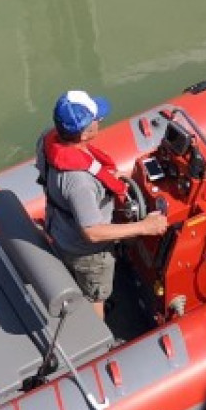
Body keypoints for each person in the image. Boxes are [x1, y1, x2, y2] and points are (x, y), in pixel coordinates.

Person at [39, 89, 168, 321]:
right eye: (96, 119)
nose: (100, 120)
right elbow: (92, 232)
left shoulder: (47, 140)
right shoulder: (79, 183)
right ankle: (99, 336)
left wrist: (106, 180)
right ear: (85, 133)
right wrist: (144, 227)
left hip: (59, 229)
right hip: (86, 253)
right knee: (96, 295)